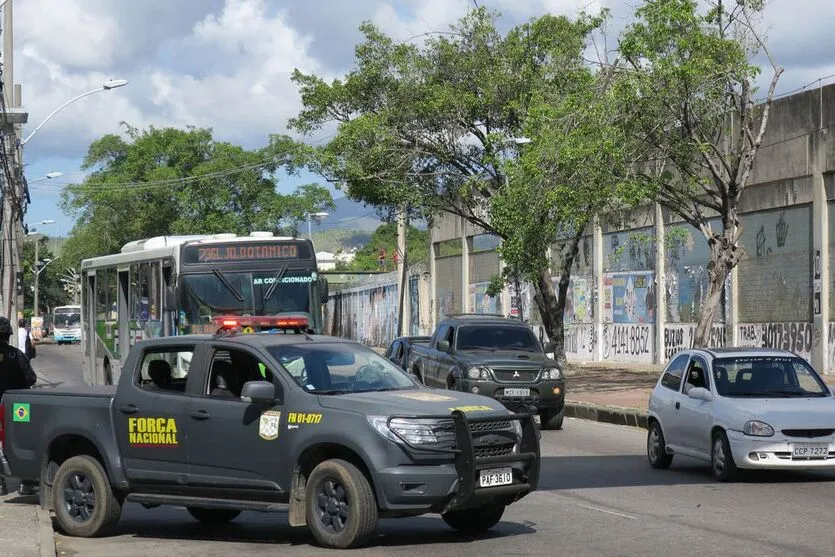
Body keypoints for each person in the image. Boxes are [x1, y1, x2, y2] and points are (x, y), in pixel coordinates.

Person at [0, 316, 38, 496]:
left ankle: (0, 484)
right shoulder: (16, 355)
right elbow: (31, 378)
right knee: (24, 440)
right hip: (17, 407)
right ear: (8, 336)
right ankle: (27, 483)